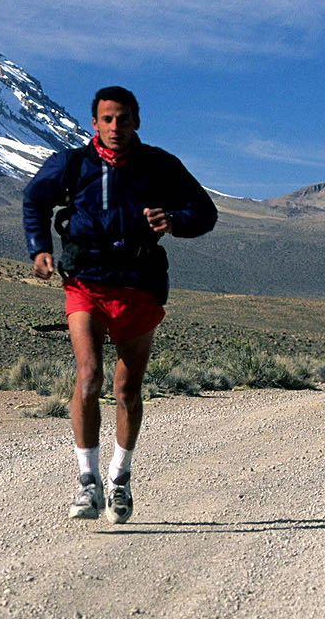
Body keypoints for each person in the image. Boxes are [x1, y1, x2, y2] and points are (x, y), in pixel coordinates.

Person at [23, 86, 217, 523]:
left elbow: (204, 212)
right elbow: (35, 199)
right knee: (88, 376)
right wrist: (39, 248)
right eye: (107, 119)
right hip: (85, 283)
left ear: (137, 121)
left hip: (139, 285)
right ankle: (87, 482)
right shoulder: (71, 165)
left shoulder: (159, 166)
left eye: (123, 118)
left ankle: (121, 479)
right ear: (94, 122)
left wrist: (175, 220)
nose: (115, 127)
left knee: (127, 391)